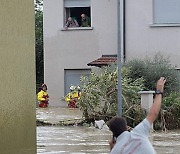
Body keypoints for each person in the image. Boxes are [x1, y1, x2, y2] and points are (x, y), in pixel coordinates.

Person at [108, 77, 166, 154]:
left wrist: (112, 150)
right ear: (126, 127)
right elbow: (154, 113)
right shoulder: (138, 132)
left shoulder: (116, 151)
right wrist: (158, 91)